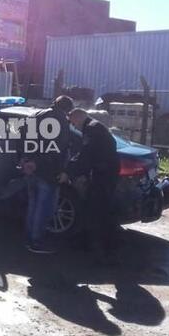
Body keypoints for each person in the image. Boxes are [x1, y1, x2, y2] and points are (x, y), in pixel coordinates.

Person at [62, 108, 121, 260]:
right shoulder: (96, 126)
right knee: (98, 209)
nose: (73, 126)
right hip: (106, 173)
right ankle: (102, 247)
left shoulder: (91, 130)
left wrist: (68, 172)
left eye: (73, 122)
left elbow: (85, 155)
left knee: (99, 211)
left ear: (78, 118)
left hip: (104, 175)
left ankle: (105, 251)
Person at [21, 96, 73, 253]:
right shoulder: (61, 120)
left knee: (33, 205)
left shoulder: (37, 114)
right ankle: (36, 242)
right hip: (48, 170)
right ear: (68, 109)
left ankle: (29, 238)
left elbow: (22, 135)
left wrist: (26, 159)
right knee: (43, 208)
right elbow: (58, 148)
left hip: (31, 168)